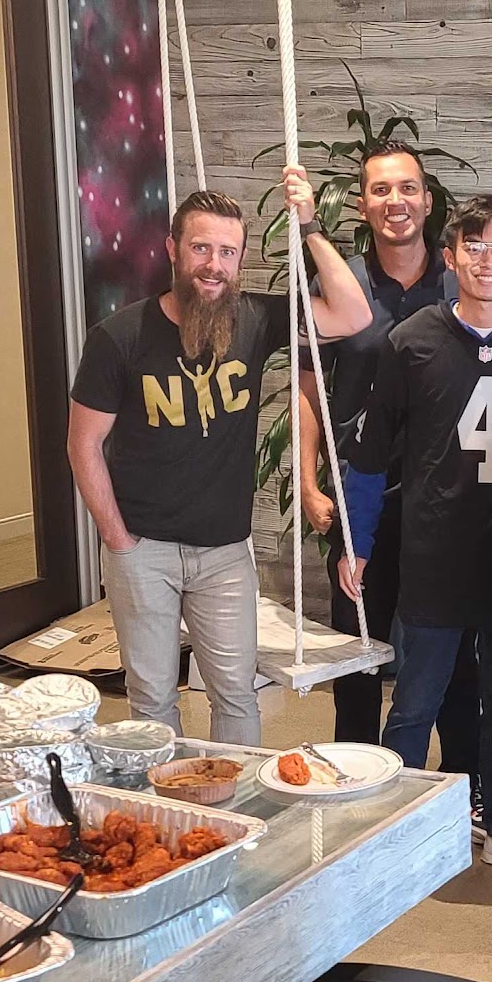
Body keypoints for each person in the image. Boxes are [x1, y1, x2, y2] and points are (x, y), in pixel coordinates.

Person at [68, 173, 372, 742]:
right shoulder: (120, 337)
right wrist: (118, 540)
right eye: (201, 248)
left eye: (227, 252)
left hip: (225, 554)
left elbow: (354, 314)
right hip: (143, 550)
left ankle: (236, 798)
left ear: (241, 259)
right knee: (152, 698)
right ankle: (166, 799)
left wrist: (308, 224)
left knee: (235, 693)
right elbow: (83, 444)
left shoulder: (255, 318)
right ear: (173, 250)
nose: (213, 265)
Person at [340, 193, 492, 882]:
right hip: (434, 555)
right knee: (415, 700)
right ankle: (392, 832)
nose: (489, 260)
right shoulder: (411, 342)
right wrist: (358, 541)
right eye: (474, 247)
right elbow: (369, 457)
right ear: (450, 257)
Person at [290, 141, 481, 806]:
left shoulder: (460, 281)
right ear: (361, 204)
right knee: (357, 654)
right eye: (379, 190)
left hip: (445, 499)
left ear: (428, 201)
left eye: (407, 188)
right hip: (360, 496)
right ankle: (356, 785)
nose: (395, 201)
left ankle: (461, 784)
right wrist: (309, 480)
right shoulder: (338, 282)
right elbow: (308, 386)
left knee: (454, 653)